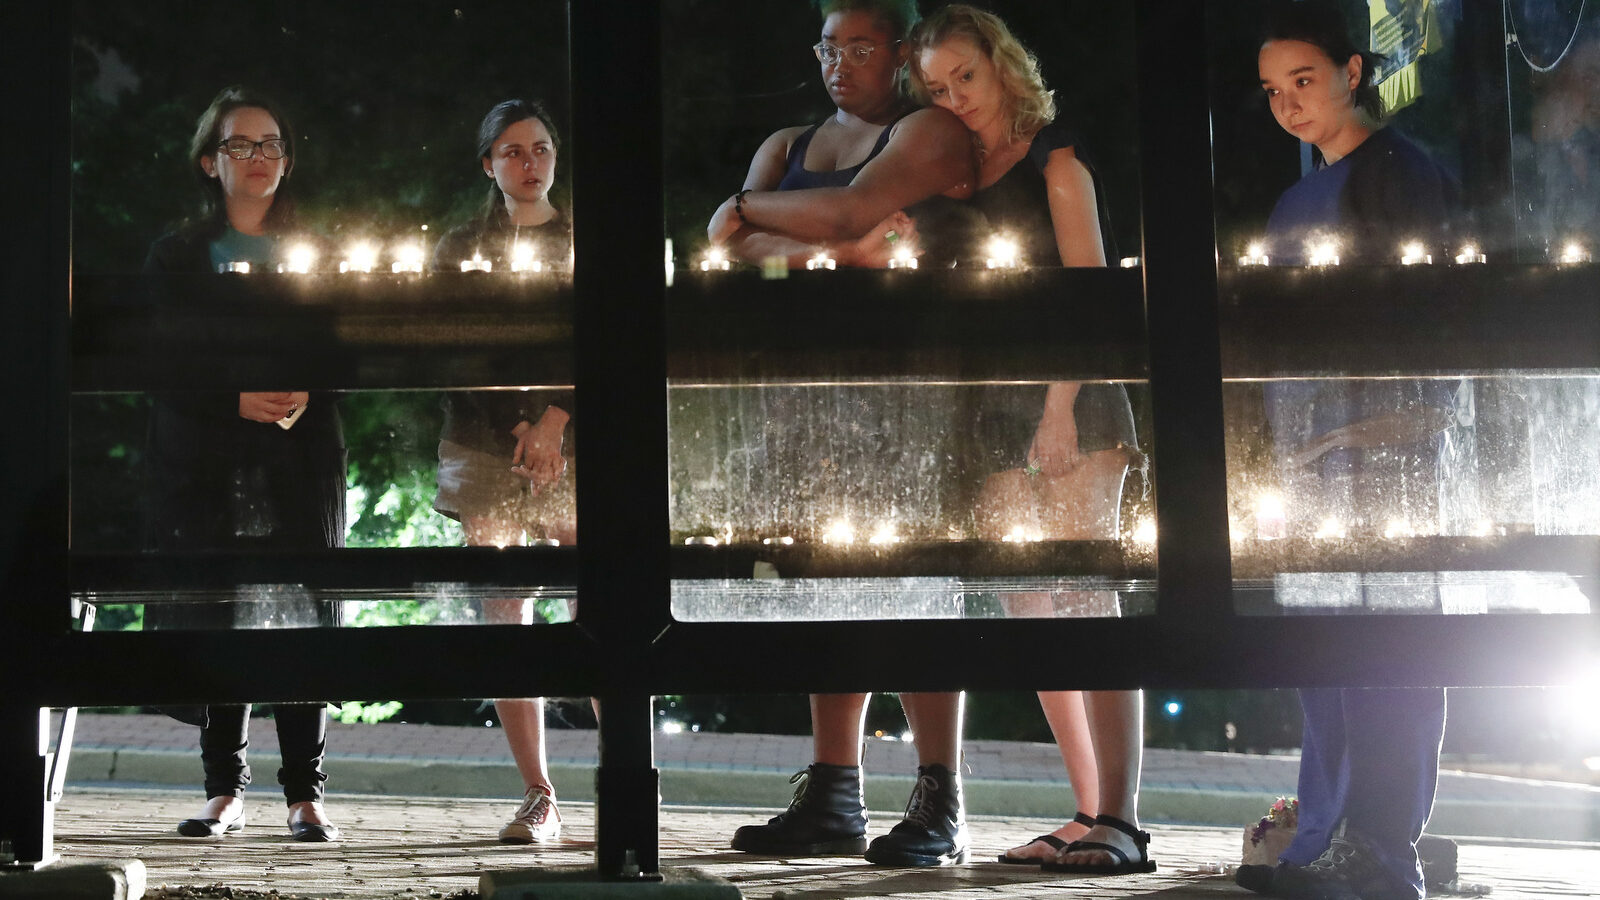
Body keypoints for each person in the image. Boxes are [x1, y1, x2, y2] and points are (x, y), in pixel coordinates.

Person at [710, 0, 980, 869]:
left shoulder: (929, 130)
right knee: (822, 579)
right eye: (828, 46)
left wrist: (754, 214)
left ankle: (940, 792)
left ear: (899, 52)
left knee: (915, 585)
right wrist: (824, 249)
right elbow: (729, 255)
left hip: (906, 383)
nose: (840, 62)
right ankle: (833, 789)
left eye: (861, 46)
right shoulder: (784, 147)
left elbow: (850, 209)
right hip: (799, 390)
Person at [908, 4, 1152, 876]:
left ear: (1003, 65)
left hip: (1075, 402)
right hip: (995, 411)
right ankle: (1083, 810)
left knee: (1091, 602)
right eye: (937, 87)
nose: (955, 97)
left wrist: (1059, 409)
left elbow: (1090, 301)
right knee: (1033, 609)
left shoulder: (1060, 159)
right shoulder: (959, 173)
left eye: (965, 77)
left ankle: (1122, 819)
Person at [1238, 4, 1459, 899]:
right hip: (1310, 453)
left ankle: (1379, 848)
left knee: (1388, 649)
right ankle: (1324, 838)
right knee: (1324, 653)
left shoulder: (1404, 175)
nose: (1288, 104)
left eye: (1304, 81)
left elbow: (1437, 318)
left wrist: (1391, 427)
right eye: (1272, 91)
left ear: (1353, 72)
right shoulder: (1298, 196)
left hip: (1385, 452)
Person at [143, 85, 344, 843]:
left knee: (299, 612)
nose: (257, 158)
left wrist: (303, 389)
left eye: (271, 145)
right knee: (219, 606)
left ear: (287, 163)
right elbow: (159, 354)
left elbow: (340, 347)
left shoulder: (320, 247)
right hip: (208, 453)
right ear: (208, 160)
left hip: (299, 452)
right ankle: (223, 791)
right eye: (239, 145)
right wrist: (230, 398)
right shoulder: (178, 254)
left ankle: (306, 796)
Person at [430, 98, 576, 844]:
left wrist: (555, 418)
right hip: (487, 439)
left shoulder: (587, 239)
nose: (530, 163)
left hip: (578, 440)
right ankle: (538, 792)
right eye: (513, 151)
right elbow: (454, 347)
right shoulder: (461, 244)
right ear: (487, 162)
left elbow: (603, 336)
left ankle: (624, 780)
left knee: (602, 598)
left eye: (541, 148)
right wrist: (521, 423)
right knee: (505, 605)